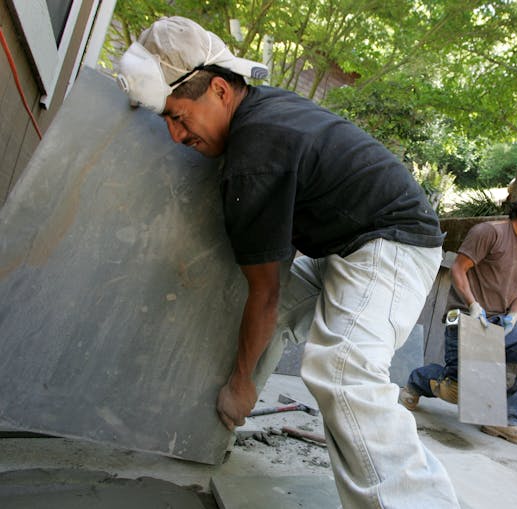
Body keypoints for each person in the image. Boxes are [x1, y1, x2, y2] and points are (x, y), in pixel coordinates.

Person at [117, 16, 459, 508]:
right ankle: (210, 438)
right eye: (165, 121)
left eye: (178, 116)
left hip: (390, 243)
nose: (174, 135)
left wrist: (239, 384)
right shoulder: (261, 113)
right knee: (241, 308)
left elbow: (267, 290)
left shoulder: (254, 154)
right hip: (347, 244)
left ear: (218, 89)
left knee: (342, 368)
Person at [399, 190, 517, 449]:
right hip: (468, 318)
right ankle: (418, 381)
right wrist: (473, 305)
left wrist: (514, 316)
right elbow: (458, 268)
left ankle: (505, 419)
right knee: (459, 391)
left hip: (501, 324)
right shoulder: (489, 232)